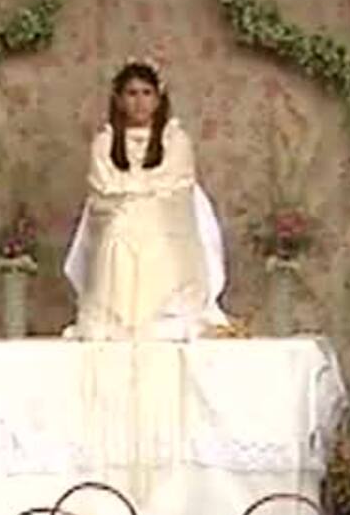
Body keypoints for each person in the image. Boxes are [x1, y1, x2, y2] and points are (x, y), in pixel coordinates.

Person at [62, 60, 227, 340]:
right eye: (132, 93)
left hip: (165, 221)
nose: (139, 102)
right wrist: (139, 192)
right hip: (119, 220)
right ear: (119, 100)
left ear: (158, 99)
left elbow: (173, 185)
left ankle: (161, 314)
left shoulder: (175, 140)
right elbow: (105, 187)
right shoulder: (106, 141)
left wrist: (134, 192)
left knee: (146, 222)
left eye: (146, 93)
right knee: (121, 227)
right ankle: (119, 316)